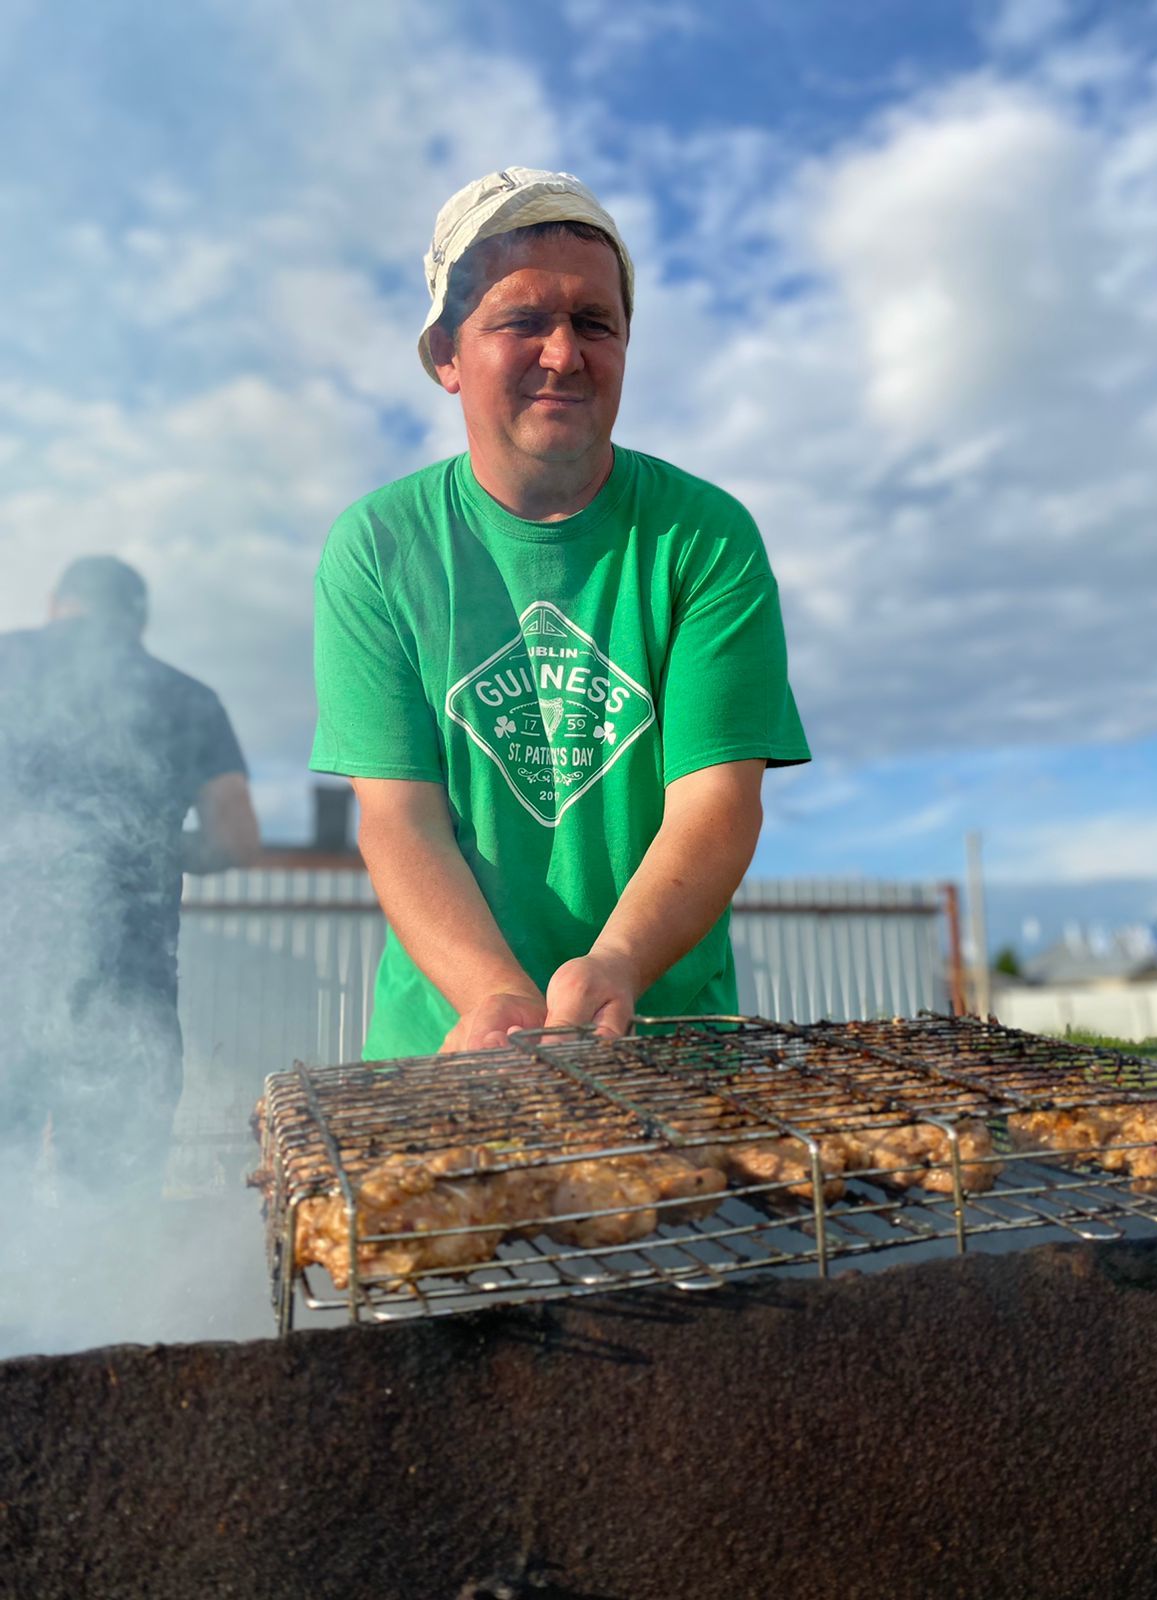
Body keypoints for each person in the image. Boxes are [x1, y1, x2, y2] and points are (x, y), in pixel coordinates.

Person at [311, 166, 810, 1059]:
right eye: (522, 320)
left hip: (669, 1047)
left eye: (595, 323)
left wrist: (617, 961)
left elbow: (717, 800)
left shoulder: (704, 536)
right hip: (453, 1048)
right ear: (446, 357)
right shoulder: (379, 547)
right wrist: (495, 994)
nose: (564, 352)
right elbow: (399, 816)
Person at [0, 556, 259, 1202]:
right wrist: (152, 847)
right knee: (112, 1207)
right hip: (128, 992)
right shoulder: (187, 696)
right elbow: (236, 837)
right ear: (138, 620)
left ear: (57, 603)